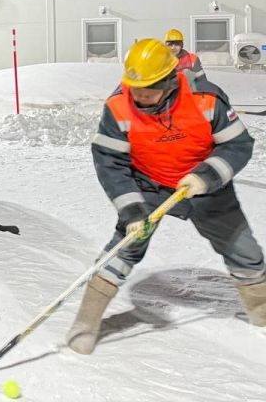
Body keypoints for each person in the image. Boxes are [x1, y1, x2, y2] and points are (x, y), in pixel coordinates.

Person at [67, 38, 266, 354]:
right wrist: (131, 210)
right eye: (136, 88)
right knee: (123, 247)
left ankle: (262, 316)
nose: (140, 96)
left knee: (245, 251)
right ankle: (85, 322)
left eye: (148, 89)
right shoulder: (119, 106)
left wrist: (207, 177)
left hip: (205, 187)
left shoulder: (206, 99)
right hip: (148, 187)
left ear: (170, 81)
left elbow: (238, 145)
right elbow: (110, 161)